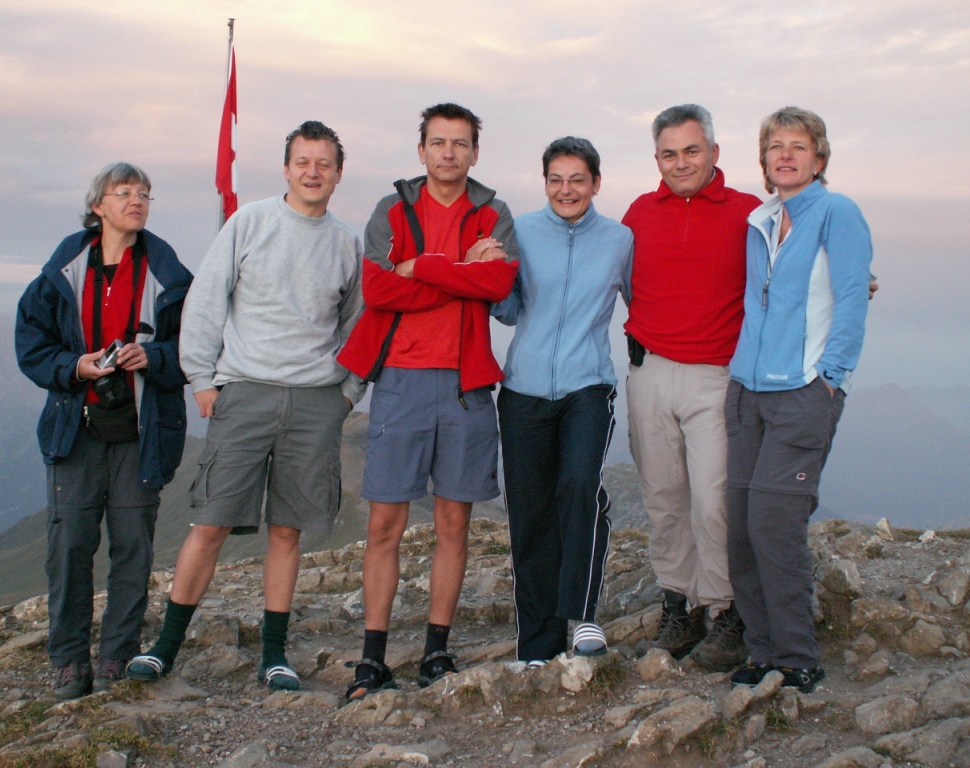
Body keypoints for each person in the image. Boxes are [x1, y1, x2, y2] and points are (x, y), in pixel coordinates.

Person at [126, 121, 365, 692]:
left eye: (324, 163)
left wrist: (347, 394)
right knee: (210, 522)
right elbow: (207, 300)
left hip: (316, 401)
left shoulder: (346, 242)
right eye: (303, 161)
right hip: (245, 392)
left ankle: (274, 655)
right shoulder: (250, 223)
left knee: (287, 531)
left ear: (338, 173)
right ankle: (165, 648)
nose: (312, 172)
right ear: (286, 168)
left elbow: (357, 325)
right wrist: (202, 381)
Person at [336, 103, 518, 700]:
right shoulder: (391, 210)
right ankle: (372, 658)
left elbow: (498, 283)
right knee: (384, 522)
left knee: (453, 522)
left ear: (474, 153)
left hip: (466, 384)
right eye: (438, 142)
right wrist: (460, 272)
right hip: (401, 381)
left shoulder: (493, 213)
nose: (448, 153)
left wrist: (420, 268)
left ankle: (436, 651)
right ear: (421, 151)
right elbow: (378, 288)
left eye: (460, 143)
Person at [15, 162, 192, 699]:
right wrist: (75, 366)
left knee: (133, 547)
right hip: (77, 428)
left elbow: (197, 346)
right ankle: (69, 662)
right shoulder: (61, 274)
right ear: (98, 206)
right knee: (69, 546)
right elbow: (32, 347)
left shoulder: (169, 276)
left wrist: (153, 356)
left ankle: (117, 655)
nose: (137, 200)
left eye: (144, 193)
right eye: (124, 192)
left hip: (142, 432)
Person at [726, 107, 872, 693]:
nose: (785, 154)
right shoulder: (761, 219)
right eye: (776, 146)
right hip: (747, 392)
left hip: (802, 395)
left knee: (774, 524)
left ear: (819, 158)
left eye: (799, 145)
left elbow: (853, 296)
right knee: (740, 529)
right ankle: (762, 650)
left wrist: (830, 378)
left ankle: (797, 656)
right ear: (764, 159)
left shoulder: (837, 212)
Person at [622, 105, 760, 670]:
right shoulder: (638, 212)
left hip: (715, 377)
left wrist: (852, 277)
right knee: (664, 498)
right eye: (669, 153)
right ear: (657, 159)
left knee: (712, 498)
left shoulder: (748, 212)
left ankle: (725, 610)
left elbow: (797, 258)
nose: (680, 163)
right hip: (650, 372)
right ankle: (678, 605)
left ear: (714, 153)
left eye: (691, 151)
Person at [493, 137, 633, 664]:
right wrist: (490, 273)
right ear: (545, 182)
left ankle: (582, 614)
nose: (566, 189)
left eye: (577, 179)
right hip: (523, 389)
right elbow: (508, 310)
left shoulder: (619, 239)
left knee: (578, 486)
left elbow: (648, 300)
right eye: (556, 179)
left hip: (588, 386)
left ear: (596, 183)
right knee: (529, 513)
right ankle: (538, 644)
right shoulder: (521, 231)